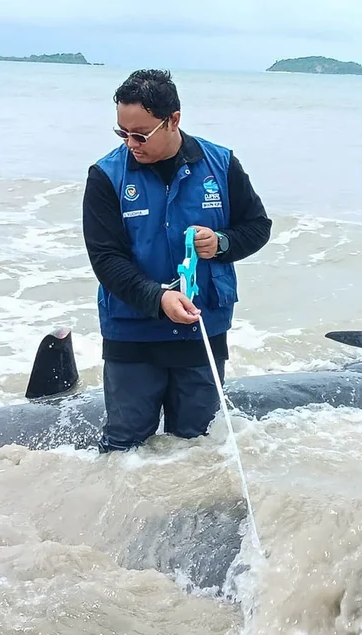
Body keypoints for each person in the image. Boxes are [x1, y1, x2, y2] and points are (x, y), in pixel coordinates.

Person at [83, 68, 271, 452]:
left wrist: (221, 243)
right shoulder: (106, 176)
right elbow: (106, 259)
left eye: (140, 134)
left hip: (201, 329)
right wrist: (158, 298)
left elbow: (257, 227)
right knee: (125, 448)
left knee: (198, 449)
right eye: (122, 133)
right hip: (132, 333)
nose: (131, 144)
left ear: (173, 120)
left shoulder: (221, 164)